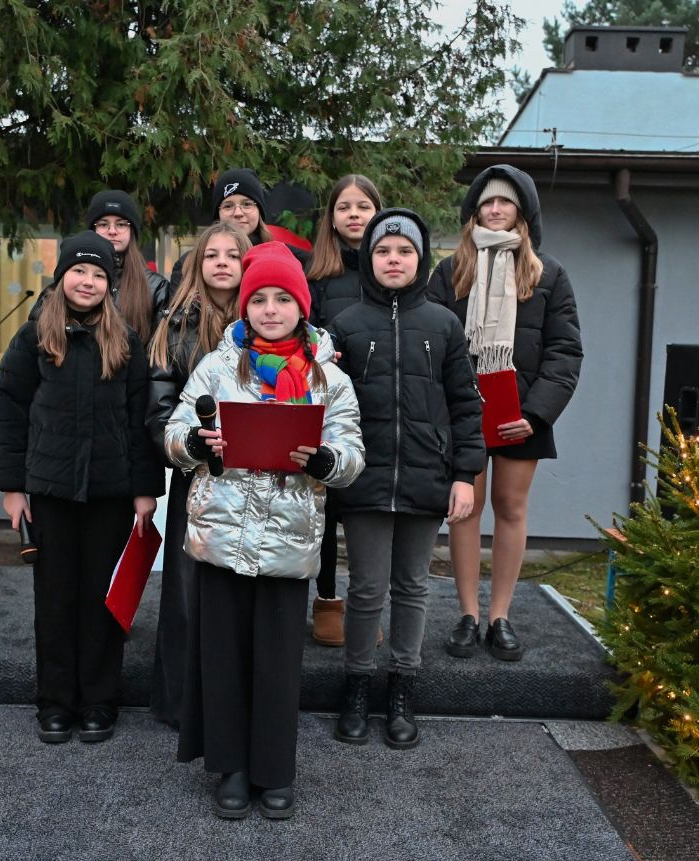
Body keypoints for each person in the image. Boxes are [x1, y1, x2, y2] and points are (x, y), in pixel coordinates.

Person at [165, 242, 364, 820]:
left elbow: (353, 452)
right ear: (245, 307)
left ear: (301, 307)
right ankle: (230, 767)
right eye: (259, 300)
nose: (270, 310)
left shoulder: (330, 377)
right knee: (224, 656)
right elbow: (175, 434)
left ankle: (274, 771)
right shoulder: (216, 366)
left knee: (277, 665)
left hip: (288, 539)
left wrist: (326, 460)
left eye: (282, 299)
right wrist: (195, 443)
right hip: (223, 535)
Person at [0, 231, 165, 745]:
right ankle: (55, 703)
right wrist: (12, 487)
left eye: (98, 274)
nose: (87, 281)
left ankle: (98, 701)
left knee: (102, 600)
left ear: (110, 284)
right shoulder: (33, 338)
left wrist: (145, 489)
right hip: (51, 492)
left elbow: (139, 419)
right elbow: (8, 412)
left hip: (111, 494)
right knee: (55, 600)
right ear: (61, 276)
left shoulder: (125, 341)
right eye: (78, 271)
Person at [328, 209, 484, 750]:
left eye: (404, 251)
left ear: (420, 259)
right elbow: (328, 404)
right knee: (366, 587)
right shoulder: (346, 325)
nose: (393, 260)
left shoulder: (443, 324)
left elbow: (466, 405)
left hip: (426, 474)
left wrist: (464, 474)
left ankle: (402, 688)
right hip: (364, 479)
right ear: (369, 258)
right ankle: (355, 685)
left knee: (413, 586)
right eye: (383, 251)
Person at [427, 165, 582, 662]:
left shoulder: (548, 274)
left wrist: (536, 414)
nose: (495, 210)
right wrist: (447, 410)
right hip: (464, 411)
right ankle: (468, 615)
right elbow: (430, 343)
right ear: (474, 211)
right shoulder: (450, 272)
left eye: (505, 202)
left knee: (511, 508)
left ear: (523, 211)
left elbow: (564, 353)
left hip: (520, 415)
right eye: (487, 202)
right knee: (465, 509)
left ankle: (500, 617)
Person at [144, 222, 252, 727]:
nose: (222, 262)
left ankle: (238, 704)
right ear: (196, 265)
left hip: (257, 480)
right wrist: (189, 443)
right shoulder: (174, 326)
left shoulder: (270, 321)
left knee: (242, 595)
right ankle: (182, 705)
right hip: (198, 478)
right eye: (212, 255)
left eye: (233, 254)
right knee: (188, 595)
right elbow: (159, 408)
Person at [304, 174, 383, 646]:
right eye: (344, 207)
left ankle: (367, 604)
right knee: (327, 507)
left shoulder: (390, 270)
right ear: (330, 218)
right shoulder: (316, 274)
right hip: (326, 402)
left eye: (363, 206)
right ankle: (327, 599)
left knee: (366, 509)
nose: (354, 215)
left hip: (377, 403)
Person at [168, 168, 308, 289]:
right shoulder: (188, 264)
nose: (238, 213)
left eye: (247, 204)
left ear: (259, 211)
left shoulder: (289, 258)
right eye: (228, 206)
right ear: (218, 215)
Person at [85, 189, 171, 342]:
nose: (112, 231)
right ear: (93, 230)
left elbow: (162, 349)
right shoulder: (75, 280)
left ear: (132, 231)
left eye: (121, 224)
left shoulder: (156, 287)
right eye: (103, 224)